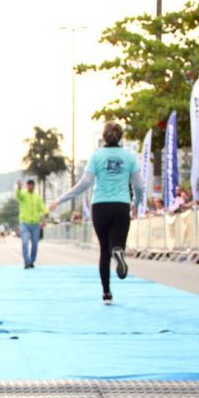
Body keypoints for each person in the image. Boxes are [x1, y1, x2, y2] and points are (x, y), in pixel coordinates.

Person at [49, 121, 144, 305]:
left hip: (100, 206)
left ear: (103, 137)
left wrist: (60, 199)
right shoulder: (129, 157)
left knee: (103, 250)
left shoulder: (96, 157)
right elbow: (139, 186)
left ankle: (106, 293)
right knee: (116, 245)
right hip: (121, 205)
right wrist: (136, 203)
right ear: (121, 137)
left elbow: (85, 183)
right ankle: (118, 252)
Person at [15, 178, 48, 269]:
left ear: (34, 186)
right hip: (24, 223)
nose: (30, 186)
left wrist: (46, 212)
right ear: (26, 186)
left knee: (35, 244)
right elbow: (18, 195)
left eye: (32, 184)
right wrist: (18, 187)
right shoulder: (23, 195)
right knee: (25, 242)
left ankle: (32, 261)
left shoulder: (37, 197)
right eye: (28, 184)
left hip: (35, 224)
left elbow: (42, 207)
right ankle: (26, 261)